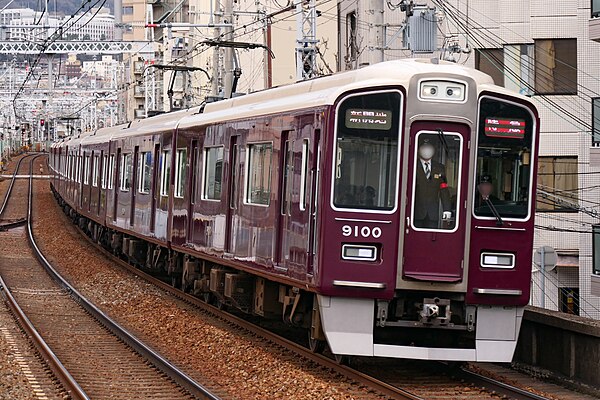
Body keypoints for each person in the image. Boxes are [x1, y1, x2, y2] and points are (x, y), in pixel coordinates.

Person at [414, 139, 451, 229]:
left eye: (429, 148)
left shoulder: (439, 168)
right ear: (418, 150)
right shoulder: (413, 165)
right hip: (415, 212)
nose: (427, 151)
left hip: (433, 213)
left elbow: (443, 188)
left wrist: (447, 209)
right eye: (424, 148)